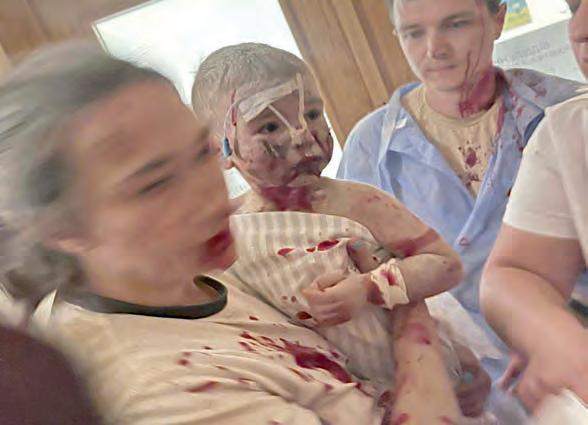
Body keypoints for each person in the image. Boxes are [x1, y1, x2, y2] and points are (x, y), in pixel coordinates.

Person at [0, 41, 397, 425]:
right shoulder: (158, 391)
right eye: (155, 185)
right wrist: (412, 326)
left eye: (202, 153)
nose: (211, 198)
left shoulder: (186, 275)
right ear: (62, 228)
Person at [192, 42, 494, 422]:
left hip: (420, 382)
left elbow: (445, 265)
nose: (302, 135)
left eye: (311, 113)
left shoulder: (358, 202)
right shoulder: (230, 231)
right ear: (220, 151)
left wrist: (369, 287)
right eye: (269, 126)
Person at [337, 0, 585, 380]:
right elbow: (357, 282)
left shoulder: (567, 112)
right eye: (414, 33)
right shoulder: (372, 149)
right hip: (461, 382)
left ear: (498, 18)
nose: (434, 49)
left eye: (455, 25)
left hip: (573, 356)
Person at [481, 0, 588, 413]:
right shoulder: (569, 132)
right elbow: (515, 273)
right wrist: (555, 336)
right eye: (574, 6)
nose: (580, 29)